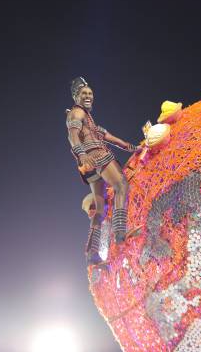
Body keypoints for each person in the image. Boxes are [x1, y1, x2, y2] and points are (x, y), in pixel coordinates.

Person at [66, 77, 139, 265]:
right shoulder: (77, 112)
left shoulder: (89, 121)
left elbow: (111, 138)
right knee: (121, 185)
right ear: (76, 97)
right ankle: (120, 233)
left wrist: (132, 147)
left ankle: (92, 252)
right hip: (96, 156)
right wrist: (82, 155)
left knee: (100, 209)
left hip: (90, 168)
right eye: (84, 94)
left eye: (90, 93)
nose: (88, 96)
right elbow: (72, 136)